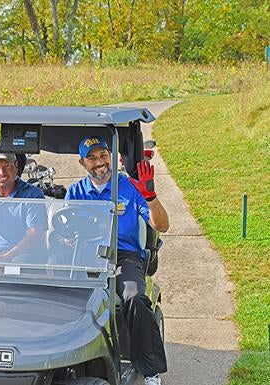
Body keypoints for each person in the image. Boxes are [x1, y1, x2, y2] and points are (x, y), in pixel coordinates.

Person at [65, 135, 169, 385]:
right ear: (82, 163)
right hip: (86, 255)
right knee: (62, 300)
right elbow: (67, 231)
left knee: (134, 298)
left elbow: (162, 225)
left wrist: (151, 197)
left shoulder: (131, 187)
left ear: (111, 157)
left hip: (124, 256)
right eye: (92, 158)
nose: (99, 162)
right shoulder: (75, 191)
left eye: (103, 155)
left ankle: (149, 368)